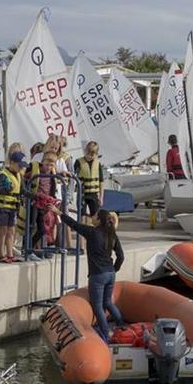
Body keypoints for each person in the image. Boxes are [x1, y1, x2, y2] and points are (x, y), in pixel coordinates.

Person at [52, 206, 125, 341]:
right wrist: (114, 269)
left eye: (95, 215)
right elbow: (121, 256)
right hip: (110, 273)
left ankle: (105, 333)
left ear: (99, 220)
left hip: (97, 275)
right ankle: (122, 327)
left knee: (97, 305)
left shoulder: (92, 232)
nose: (92, 217)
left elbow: (74, 224)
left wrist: (59, 213)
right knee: (108, 302)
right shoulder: (112, 234)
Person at [0, 151, 28, 263]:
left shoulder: (19, 175)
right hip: (3, 207)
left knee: (11, 231)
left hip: (13, 208)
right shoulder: (3, 175)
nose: (20, 168)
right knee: (3, 230)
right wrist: (7, 189)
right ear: (12, 163)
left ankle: (10, 254)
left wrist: (36, 196)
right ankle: (1, 255)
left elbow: (23, 190)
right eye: (19, 165)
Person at [26, 151, 62, 257]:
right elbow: (25, 180)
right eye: (47, 164)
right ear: (42, 162)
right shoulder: (35, 170)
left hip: (44, 204)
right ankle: (27, 248)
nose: (49, 167)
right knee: (31, 226)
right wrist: (32, 194)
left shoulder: (52, 174)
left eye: (51, 165)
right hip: (34, 202)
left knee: (42, 229)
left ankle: (30, 246)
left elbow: (52, 188)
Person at [75, 141, 106, 222]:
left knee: (95, 217)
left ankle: (93, 233)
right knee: (82, 216)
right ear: (85, 151)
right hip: (82, 194)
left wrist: (101, 197)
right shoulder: (78, 162)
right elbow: (73, 177)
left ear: (96, 154)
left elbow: (101, 181)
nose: (90, 156)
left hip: (94, 194)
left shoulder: (97, 163)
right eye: (88, 153)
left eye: (92, 154)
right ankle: (81, 234)